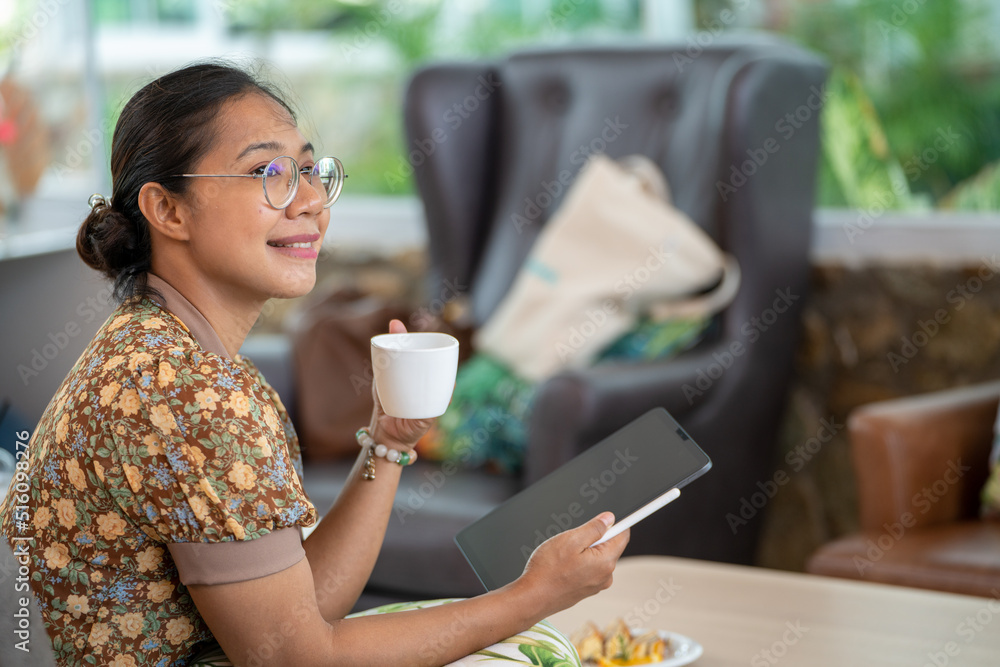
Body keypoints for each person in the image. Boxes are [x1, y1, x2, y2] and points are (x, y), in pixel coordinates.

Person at [0, 61, 629, 666]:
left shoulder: (161, 350)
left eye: (309, 170)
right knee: (533, 653)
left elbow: (299, 614)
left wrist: (386, 441)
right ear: (168, 210)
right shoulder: (184, 390)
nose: (309, 202)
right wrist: (535, 596)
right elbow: (300, 658)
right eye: (268, 172)